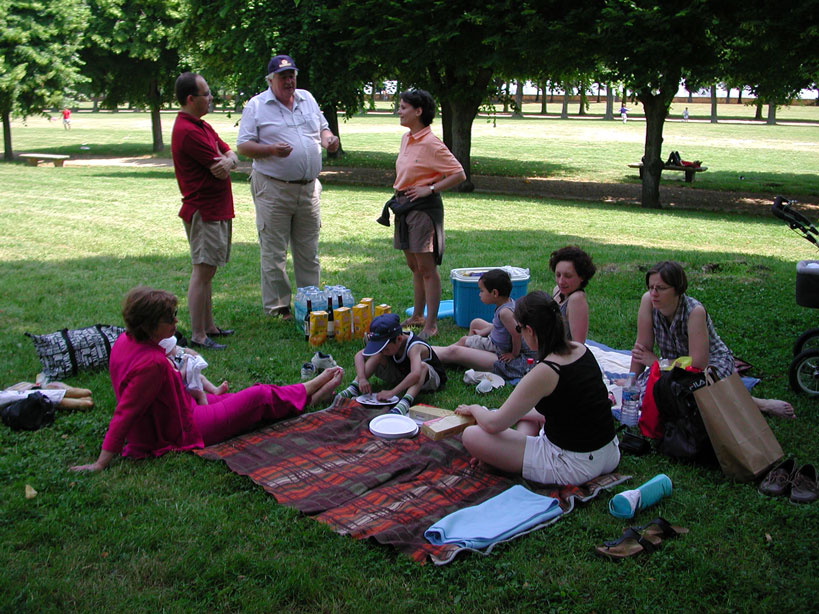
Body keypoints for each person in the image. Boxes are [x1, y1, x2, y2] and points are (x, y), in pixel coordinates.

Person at [70, 287, 343, 472]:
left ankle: (308, 398)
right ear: (148, 326)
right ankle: (309, 388)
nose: (175, 322)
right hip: (183, 427)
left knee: (243, 401)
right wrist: (101, 462)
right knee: (257, 396)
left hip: (182, 409)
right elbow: (125, 413)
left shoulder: (124, 341)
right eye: (169, 319)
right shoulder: (150, 364)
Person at [454, 291, 620, 485]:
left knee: (472, 435)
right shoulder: (581, 349)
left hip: (573, 465)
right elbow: (568, 408)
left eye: (519, 328)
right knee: (525, 417)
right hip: (609, 452)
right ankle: (505, 454)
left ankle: (501, 459)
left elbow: (493, 424)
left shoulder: (545, 371)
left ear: (530, 331)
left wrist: (474, 408)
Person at [236, 55, 340, 319]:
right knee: (274, 252)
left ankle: (310, 303)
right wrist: (270, 150)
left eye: (292, 75)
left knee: (308, 250)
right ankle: (278, 307)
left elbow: (323, 129)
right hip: (273, 188)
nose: (289, 81)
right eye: (283, 77)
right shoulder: (257, 105)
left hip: (308, 189)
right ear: (270, 80)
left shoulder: (307, 98)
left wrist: (329, 139)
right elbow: (243, 146)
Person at [630, 260, 795, 419]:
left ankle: (758, 404)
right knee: (646, 394)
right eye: (651, 287)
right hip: (674, 366)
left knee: (693, 393)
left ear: (677, 290)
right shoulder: (648, 301)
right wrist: (630, 381)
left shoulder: (694, 312)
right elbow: (642, 348)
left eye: (661, 288)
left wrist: (658, 363)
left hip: (708, 365)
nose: (654, 293)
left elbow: (698, 364)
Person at [378, 89, 465, 341]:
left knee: (427, 268)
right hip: (403, 205)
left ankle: (431, 324)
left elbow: (459, 174)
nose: (399, 111)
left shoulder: (431, 143)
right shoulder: (407, 138)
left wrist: (431, 188)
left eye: (403, 107)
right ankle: (417, 316)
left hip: (423, 210)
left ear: (418, 111)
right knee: (414, 266)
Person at [171, 72, 239, 351]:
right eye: (207, 94)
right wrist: (228, 160)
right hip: (204, 209)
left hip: (216, 208)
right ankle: (199, 335)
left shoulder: (202, 126)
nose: (211, 98)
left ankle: (209, 326)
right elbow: (218, 166)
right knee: (202, 271)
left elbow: (229, 154)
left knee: (208, 270)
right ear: (191, 98)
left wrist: (230, 159)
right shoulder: (187, 131)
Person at [336, 313, 447, 416]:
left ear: (399, 339)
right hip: (403, 374)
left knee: (422, 367)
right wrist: (362, 379)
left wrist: (392, 392)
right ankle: (353, 388)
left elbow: (416, 375)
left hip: (428, 380)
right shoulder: (391, 346)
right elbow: (359, 355)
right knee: (377, 355)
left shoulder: (414, 346)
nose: (384, 352)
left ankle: (404, 403)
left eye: (386, 349)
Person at [432, 268, 533, 380]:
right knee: (476, 323)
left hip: (499, 348)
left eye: (481, 291)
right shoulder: (509, 303)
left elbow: (516, 334)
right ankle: (461, 355)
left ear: (495, 293)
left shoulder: (505, 312)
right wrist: (483, 331)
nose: (479, 294)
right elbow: (501, 327)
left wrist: (513, 354)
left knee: (464, 340)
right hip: (500, 342)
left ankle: (440, 354)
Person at [158, 336, 228, 405]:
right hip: (181, 387)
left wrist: (195, 358)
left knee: (201, 377)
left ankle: (215, 390)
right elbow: (179, 377)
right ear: (168, 351)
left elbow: (184, 351)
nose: (177, 348)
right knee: (200, 394)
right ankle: (205, 408)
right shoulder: (169, 362)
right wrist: (185, 364)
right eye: (174, 347)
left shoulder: (176, 355)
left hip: (186, 381)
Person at [549, 246, 596, 344]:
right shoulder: (557, 290)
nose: (561, 281)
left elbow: (578, 344)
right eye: (558, 275)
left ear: (582, 277)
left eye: (568, 276)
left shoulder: (576, 299)